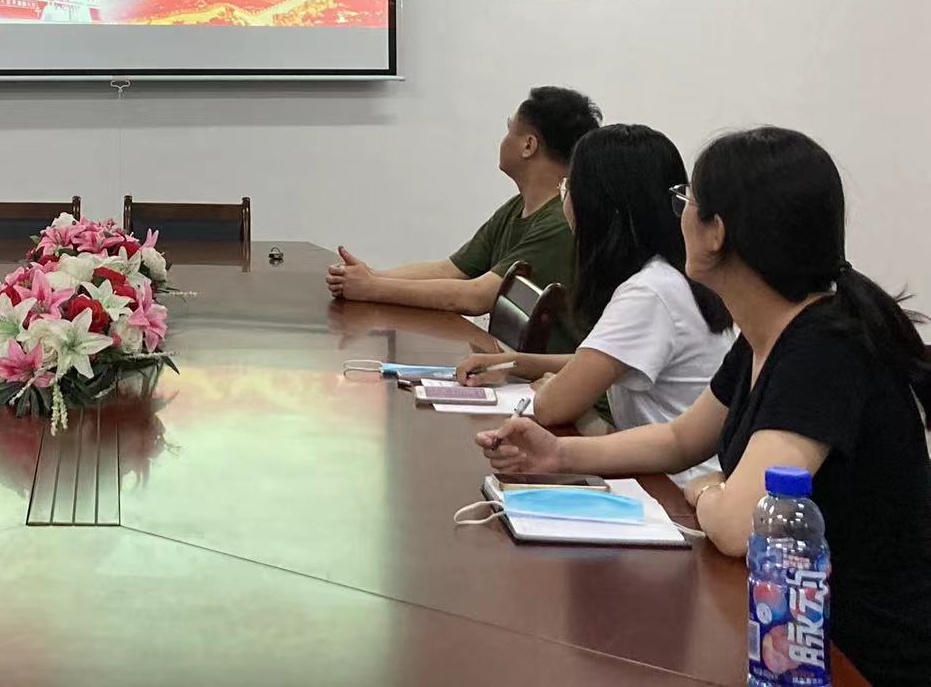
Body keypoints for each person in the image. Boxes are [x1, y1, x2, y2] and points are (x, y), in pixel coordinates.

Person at [478, 128, 931, 687]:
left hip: (846, 654)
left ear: (717, 232)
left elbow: (742, 525)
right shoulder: (768, 333)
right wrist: (557, 454)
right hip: (782, 628)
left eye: (687, 200)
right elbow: (679, 439)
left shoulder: (824, 348)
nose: (679, 216)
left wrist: (707, 488)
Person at [455, 124, 734, 479]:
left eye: (568, 186)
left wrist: (558, 392)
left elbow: (551, 407)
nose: (564, 198)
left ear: (597, 206)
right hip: (670, 474)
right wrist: (515, 363)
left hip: (673, 488)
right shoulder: (670, 275)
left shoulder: (649, 293)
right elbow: (606, 361)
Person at [326, 86, 601, 352]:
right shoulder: (518, 206)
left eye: (510, 130)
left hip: (544, 375)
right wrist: (369, 276)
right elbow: (450, 269)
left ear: (528, 146)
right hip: (511, 364)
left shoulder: (560, 222)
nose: (503, 139)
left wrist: (373, 288)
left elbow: (475, 297)